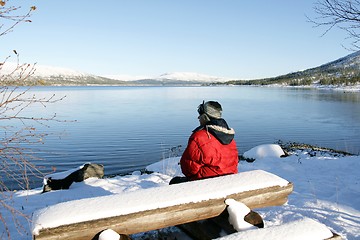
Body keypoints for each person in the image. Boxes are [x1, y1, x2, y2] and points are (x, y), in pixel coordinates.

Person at [170, 100, 238, 184]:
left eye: (200, 115)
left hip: (207, 183)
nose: (198, 118)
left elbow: (188, 169)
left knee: (174, 182)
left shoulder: (199, 137)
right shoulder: (230, 137)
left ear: (205, 117)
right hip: (229, 180)